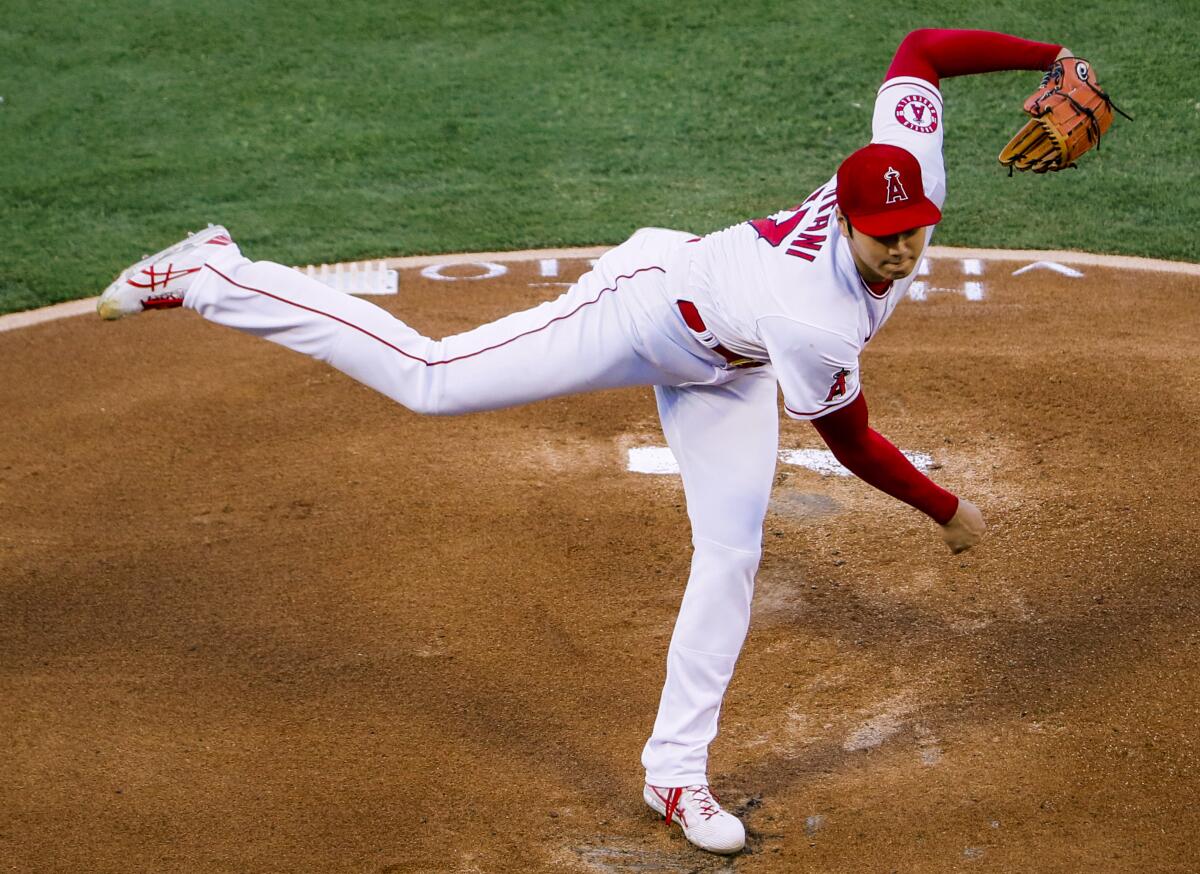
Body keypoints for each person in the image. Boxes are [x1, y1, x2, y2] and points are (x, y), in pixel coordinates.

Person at [97, 29, 1073, 855]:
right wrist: (948, 509)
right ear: (849, 221)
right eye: (884, 235)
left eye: (914, 229)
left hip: (725, 361)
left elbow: (923, 52)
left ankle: (676, 776)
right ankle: (218, 273)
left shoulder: (907, 185)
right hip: (645, 309)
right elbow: (851, 440)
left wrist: (1053, 54)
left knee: (732, 550)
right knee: (435, 381)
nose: (902, 249)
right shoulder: (813, 313)